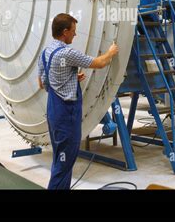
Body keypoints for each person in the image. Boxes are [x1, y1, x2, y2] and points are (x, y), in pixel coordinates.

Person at [38, 13, 119, 190]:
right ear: (65, 32)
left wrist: (70, 78)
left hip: (54, 113)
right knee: (65, 162)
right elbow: (99, 63)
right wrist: (111, 52)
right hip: (67, 115)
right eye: (74, 31)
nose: (75, 35)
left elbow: (43, 83)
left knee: (60, 158)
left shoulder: (46, 53)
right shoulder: (67, 53)